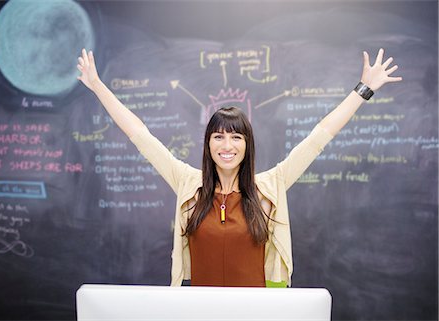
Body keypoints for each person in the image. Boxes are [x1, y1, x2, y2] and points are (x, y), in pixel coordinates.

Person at [77, 48, 402, 287]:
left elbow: (320, 136)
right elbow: (140, 135)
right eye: (218, 136)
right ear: (208, 145)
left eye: (235, 137)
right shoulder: (188, 183)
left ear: (247, 145)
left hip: (257, 313)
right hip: (199, 312)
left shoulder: (270, 186)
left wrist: (364, 89)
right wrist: (97, 86)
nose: (226, 145)